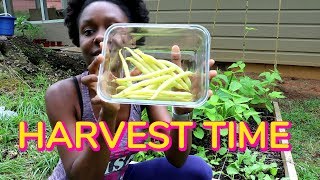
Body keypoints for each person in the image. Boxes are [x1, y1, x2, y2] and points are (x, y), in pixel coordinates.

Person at [46, 0, 217, 179]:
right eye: (88, 31)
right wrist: (108, 115)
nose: (99, 37)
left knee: (196, 169)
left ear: (133, 38)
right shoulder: (63, 94)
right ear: (79, 40)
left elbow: (177, 158)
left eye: (113, 28)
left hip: (120, 175)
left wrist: (181, 112)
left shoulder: (141, 86)